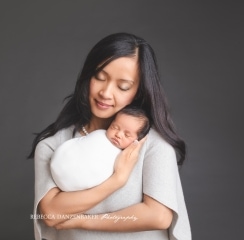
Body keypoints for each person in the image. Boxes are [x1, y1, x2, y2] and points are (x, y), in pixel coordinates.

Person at [28, 33, 191, 240]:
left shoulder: (152, 145)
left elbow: (159, 216)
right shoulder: (54, 145)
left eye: (123, 86)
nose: (106, 92)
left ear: (138, 92)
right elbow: (51, 214)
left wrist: (81, 221)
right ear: (87, 77)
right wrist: (117, 180)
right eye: (100, 77)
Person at [50, 106, 150, 192]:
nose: (118, 134)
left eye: (127, 135)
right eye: (115, 127)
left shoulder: (122, 157)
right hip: (59, 165)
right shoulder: (99, 134)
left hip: (74, 184)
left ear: (137, 140)